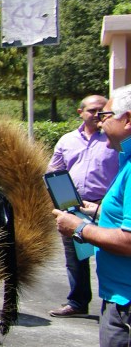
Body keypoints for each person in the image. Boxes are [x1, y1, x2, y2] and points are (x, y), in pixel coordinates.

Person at [53, 86, 131, 347]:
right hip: (119, 293)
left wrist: (80, 228)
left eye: (109, 114)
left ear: (128, 120)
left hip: (127, 301)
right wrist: (94, 212)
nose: (102, 121)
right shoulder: (126, 158)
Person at [48, 94, 121, 318]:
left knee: (109, 254)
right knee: (75, 258)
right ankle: (78, 302)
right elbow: (54, 169)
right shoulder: (67, 140)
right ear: (80, 112)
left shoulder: (113, 139)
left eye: (102, 110)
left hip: (104, 206)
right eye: (92, 110)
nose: (97, 115)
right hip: (73, 205)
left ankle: (116, 305)